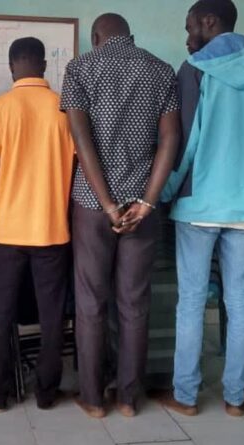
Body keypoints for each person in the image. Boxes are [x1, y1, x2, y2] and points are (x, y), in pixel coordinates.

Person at [156, 0, 244, 418]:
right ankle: (235, 398)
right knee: (240, 300)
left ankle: (186, 396)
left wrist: (166, 192)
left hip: (200, 203)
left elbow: (183, 142)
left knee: (192, 301)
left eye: (190, 26)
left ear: (209, 22)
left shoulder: (195, 69)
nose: (187, 36)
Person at [60, 13, 181, 418]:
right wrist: (147, 202)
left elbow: (81, 140)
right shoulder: (161, 70)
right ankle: (129, 398)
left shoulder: (79, 68)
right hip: (142, 209)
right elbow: (170, 139)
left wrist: (108, 204)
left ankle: (94, 399)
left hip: (92, 206)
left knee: (91, 303)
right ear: (130, 35)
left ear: (96, 37)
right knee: (134, 302)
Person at [0, 37, 75, 412]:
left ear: (11, 66)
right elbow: (77, 170)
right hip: (52, 231)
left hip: (5, 233)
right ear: (44, 66)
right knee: (52, 316)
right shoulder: (66, 110)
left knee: (1, 314)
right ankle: (47, 393)